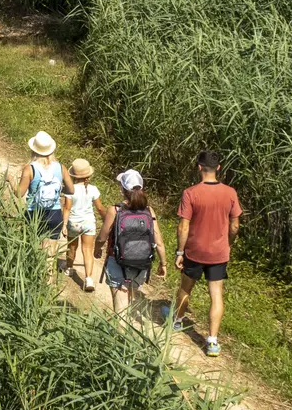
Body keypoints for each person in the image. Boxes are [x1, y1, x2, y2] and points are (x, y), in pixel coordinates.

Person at [173, 150, 243, 357]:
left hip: (195, 251)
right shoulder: (230, 193)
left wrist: (179, 251)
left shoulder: (190, 193)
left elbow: (183, 227)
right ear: (219, 168)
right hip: (219, 253)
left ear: (199, 167)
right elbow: (235, 226)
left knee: (185, 288)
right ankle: (212, 341)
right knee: (216, 295)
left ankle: (177, 321)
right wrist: (228, 244)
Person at [100, 169, 169, 320]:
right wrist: (163, 263)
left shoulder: (115, 210)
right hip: (141, 263)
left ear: (122, 189)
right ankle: (126, 335)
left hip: (117, 261)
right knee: (129, 298)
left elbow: (102, 236)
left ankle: (120, 338)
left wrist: (97, 249)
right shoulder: (149, 211)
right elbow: (158, 240)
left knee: (120, 306)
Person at [16, 131, 71, 261]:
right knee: (50, 256)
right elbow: (71, 189)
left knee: (32, 251)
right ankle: (49, 280)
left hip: (34, 214)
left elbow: (20, 193)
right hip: (55, 213)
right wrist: (58, 189)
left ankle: (33, 279)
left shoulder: (29, 168)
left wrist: (10, 180)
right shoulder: (60, 167)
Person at [61, 159, 111, 292]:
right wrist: (107, 220)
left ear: (72, 175)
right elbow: (100, 208)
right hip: (89, 223)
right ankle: (89, 279)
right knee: (87, 250)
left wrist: (64, 224)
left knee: (72, 247)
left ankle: (69, 269)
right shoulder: (93, 189)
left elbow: (67, 208)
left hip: (74, 222)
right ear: (88, 175)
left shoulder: (70, 189)